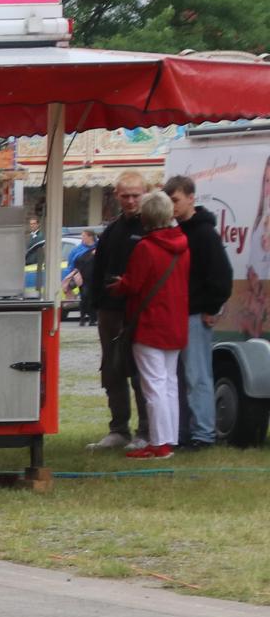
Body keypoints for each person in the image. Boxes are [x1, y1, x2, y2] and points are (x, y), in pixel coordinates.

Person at [112, 191, 191, 460]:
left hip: (150, 323)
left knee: (153, 386)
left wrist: (118, 285)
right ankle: (170, 439)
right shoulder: (183, 244)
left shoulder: (146, 247)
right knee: (169, 383)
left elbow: (134, 284)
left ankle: (158, 443)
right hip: (176, 322)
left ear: (146, 216)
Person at [84, 173, 153, 450]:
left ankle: (146, 431)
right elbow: (98, 268)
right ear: (116, 195)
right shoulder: (112, 230)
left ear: (145, 193)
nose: (131, 200)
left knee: (140, 372)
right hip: (109, 311)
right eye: (126, 195)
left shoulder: (151, 228)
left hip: (138, 312)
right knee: (112, 370)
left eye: (136, 195)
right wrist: (95, 302)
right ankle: (118, 429)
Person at [165, 175, 232, 450]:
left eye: (176, 200)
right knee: (179, 376)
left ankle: (204, 432)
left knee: (197, 374)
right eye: (169, 201)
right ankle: (185, 430)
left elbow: (221, 275)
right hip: (180, 312)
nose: (172, 206)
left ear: (191, 197)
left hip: (195, 313)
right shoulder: (179, 231)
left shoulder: (203, 234)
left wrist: (211, 306)